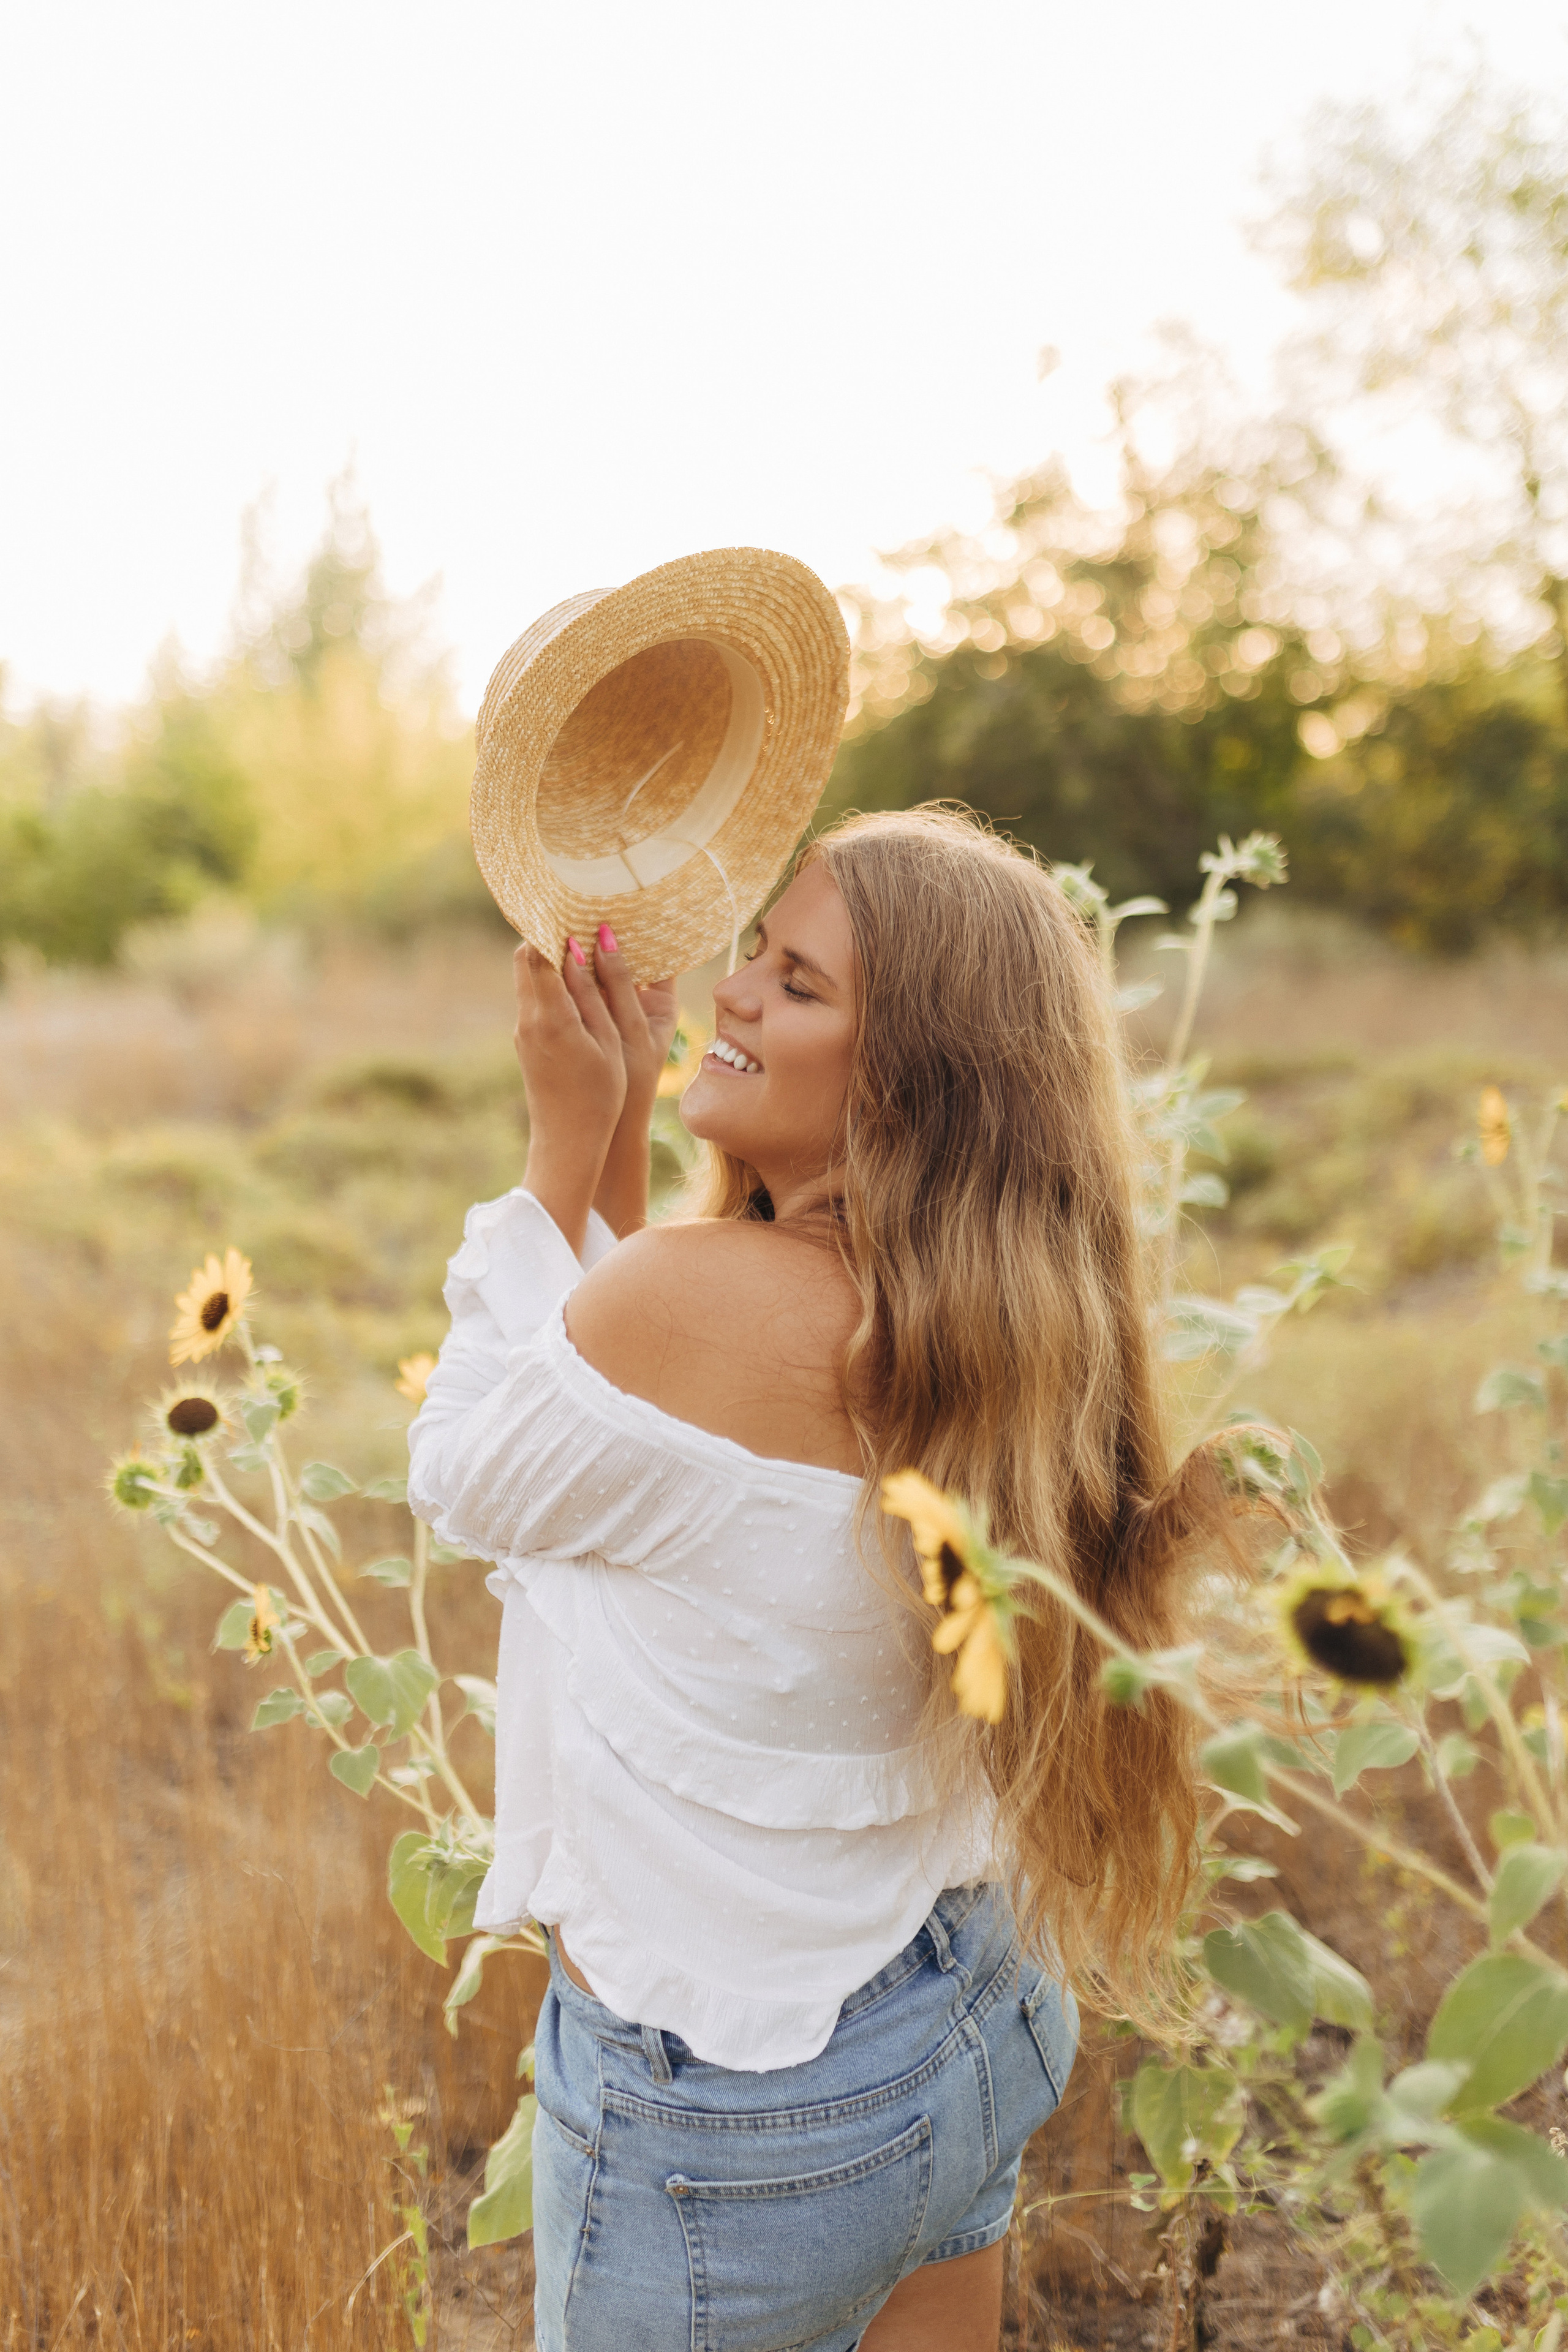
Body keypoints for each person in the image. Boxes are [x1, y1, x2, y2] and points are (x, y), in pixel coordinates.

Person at [409, 805, 1203, 2352]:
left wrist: (569, 1140)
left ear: (908, 1083)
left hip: (738, 2115)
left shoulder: (693, 1308)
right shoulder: (998, 1328)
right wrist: (632, 1135)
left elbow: (469, 1475)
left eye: (800, 984)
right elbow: (642, 1446)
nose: (732, 993)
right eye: (753, 952)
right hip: (962, 2010)